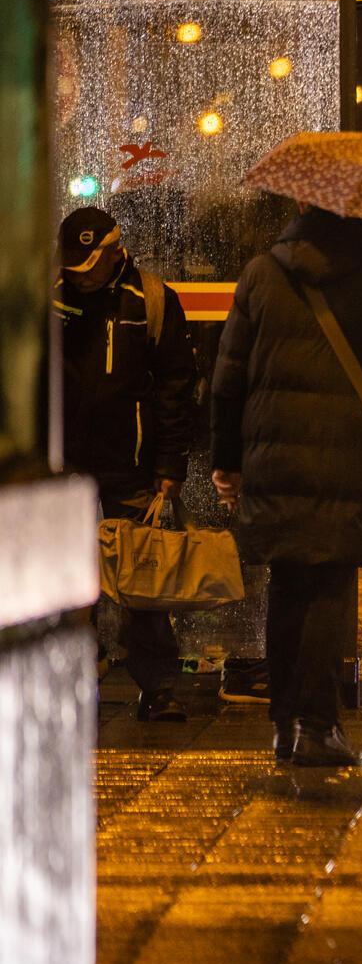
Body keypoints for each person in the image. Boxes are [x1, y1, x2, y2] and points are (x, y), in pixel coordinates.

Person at [211, 206, 362, 766]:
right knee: (330, 587)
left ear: (303, 212)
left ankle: (283, 722)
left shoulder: (261, 272)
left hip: (272, 455)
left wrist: (227, 461)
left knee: (286, 586)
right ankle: (321, 726)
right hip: (344, 455)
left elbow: (228, 378)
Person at [56, 207, 197, 721]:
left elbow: (177, 390)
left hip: (132, 463)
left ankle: (157, 685)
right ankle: (75, 671)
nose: (80, 273)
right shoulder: (52, 298)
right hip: (64, 465)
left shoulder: (152, 299)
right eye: (74, 263)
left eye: (90, 262)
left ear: (116, 250)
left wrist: (170, 466)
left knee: (145, 580)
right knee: (67, 576)